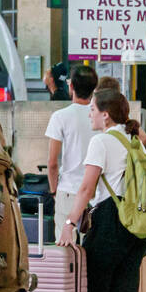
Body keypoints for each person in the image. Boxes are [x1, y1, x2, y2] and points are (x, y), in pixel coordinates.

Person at [58, 86, 146, 292]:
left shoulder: (101, 141)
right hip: (138, 223)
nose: (90, 114)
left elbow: (86, 188)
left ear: (106, 115)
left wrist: (70, 223)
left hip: (111, 219)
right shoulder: (136, 138)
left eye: (93, 110)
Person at [46, 65, 99, 231]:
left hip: (68, 192)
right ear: (94, 89)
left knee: (65, 249)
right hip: (96, 194)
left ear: (71, 87)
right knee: (91, 249)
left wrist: (54, 191)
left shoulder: (60, 117)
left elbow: (52, 162)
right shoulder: (101, 116)